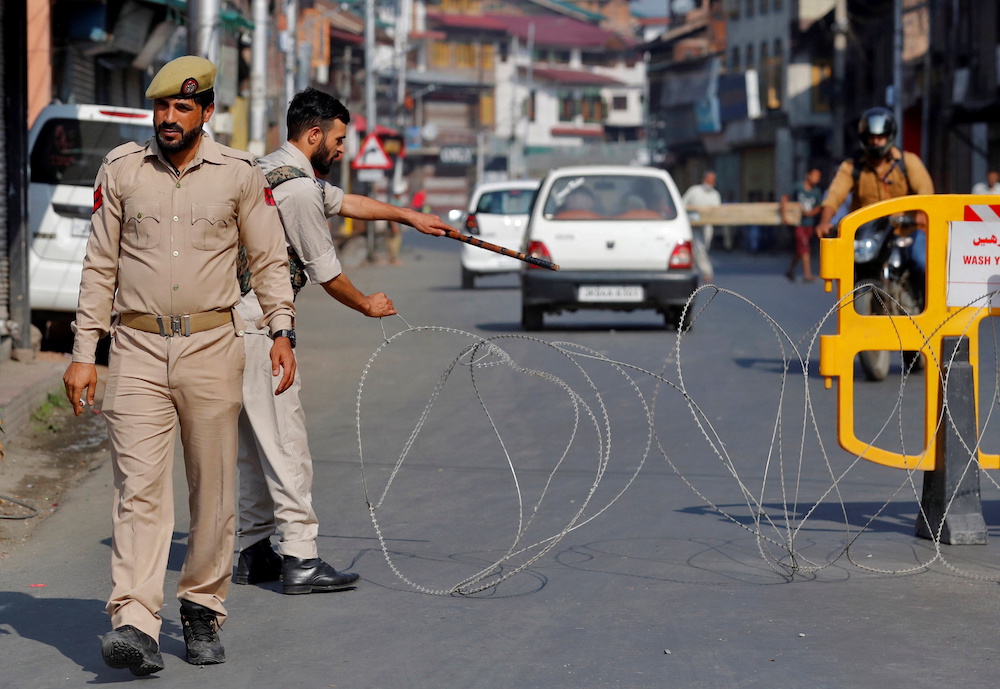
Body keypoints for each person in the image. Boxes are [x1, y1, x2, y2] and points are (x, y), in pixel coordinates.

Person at [61, 56, 296, 676]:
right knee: (137, 491)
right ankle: (135, 620)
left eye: (182, 108)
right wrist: (85, 354)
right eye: (161, 107)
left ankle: (200, 606)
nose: (169, 118)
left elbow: (269, 259)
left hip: (212, 346)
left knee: (212, 489)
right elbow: (99, 269)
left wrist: (281, 330)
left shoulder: (241, 175)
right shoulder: (122, 171)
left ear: (206, 112)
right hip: (135, 348)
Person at [234, 87, 451, 595]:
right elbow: (327, 273)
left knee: (252, 445)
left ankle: (253, 549)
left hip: (234, 326)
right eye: (336, 140)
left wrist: (411, 216)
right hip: (263, 327)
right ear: (313, 135)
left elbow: (348, 201)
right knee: (286, 446)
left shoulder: (272, 170)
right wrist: (368, 304)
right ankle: (302, 560)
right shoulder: (299, 191)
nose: (341, 150)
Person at [816, 107, 934, 277]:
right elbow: (834, 195)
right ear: (864, 138)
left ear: (889, 136)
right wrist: (824, 221)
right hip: (868, 235)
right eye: (871, 137)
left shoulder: (908, 162)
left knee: (922, 263)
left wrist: (923, 212)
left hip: (906, 231)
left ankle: (928, 303)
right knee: (847, 271)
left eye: (880, 137)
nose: (875, 142)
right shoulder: (851, 167)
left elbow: (925, 190)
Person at [781, 166, 823, 282]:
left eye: (818, 177)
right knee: (805, 246)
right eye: (814, 175)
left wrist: (810, 213)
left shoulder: (816, 192)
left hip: (809, 224)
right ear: (808, 175)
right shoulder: (798, 187)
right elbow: (785, 198)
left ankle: (790, 270)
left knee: (800, 250)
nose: (816, 178)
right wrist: (784, 214)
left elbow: (819, 207)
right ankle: (807, 274)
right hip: (797, 223)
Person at [682, 171, 723, 251]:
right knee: (697, 249)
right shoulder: (694, 190)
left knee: (704, 248)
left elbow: (717, 211)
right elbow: (682, 204)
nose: (710, 183)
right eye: (708, 180)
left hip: (707, 225)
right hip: (693, 225)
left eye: (712, 180)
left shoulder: (715, 194)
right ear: (703, 180)